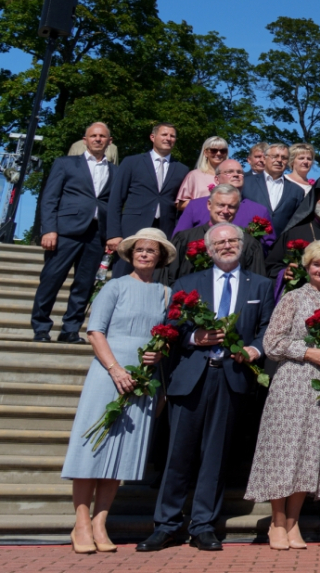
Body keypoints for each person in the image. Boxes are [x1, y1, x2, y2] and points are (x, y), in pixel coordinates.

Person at [138, 223, 274, 552]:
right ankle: (167, 524)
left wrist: (255, 349)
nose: (227, 246)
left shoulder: (261, 285)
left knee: (216, 455)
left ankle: (203, 525)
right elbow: (171, 326)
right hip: (191, 377)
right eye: (220, 243)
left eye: (232, 240)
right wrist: (193, 337)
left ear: (242, 245)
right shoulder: (188, 284)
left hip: (231, 377)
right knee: (178, 455)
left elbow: (267, 328)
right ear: (209, 250)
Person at [61, 228, 172, 554]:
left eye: (151, 251)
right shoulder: (114, 286)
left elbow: (165, 337)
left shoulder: (165, 293)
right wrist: (115, 369)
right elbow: (95, 332)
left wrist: (159, 353)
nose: (144, 254)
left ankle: (100, 522)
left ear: (160, 258)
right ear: (131, 254)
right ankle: (81, 522)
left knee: (121, 452)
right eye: (140, 249)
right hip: (108, 372)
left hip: (142, 379)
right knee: (92, 449)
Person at [243, 240, 320, 550]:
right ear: (306, 266)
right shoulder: (292, 298)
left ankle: (293, 522)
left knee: (309, 452)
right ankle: (276, 522)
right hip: (291, 382)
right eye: (316, 264)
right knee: (283, 452)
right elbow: (272, 343)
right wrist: (309, 352)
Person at [35, 122, 114, 344]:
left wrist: (112, 235)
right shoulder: (65, 164)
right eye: (93, 135)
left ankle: (70, 329)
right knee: (51, 279)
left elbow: (114, 205)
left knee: (84, 284)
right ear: (85, 140)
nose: (98, 139)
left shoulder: (115, 171)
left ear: (109, 141)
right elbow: (50, 198)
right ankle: (41, 327)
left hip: (96, 234)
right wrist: (49, 229)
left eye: (102, 136)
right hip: (65, 232)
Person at [108, 123, 190, 253]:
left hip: (165, 230)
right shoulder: (131, 162)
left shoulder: (182, 169)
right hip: (132, 227)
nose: (168, 138)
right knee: (126, 265)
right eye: (164, 134)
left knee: (159, 265)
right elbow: (115, 199)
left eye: (172, 136)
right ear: (152, 137)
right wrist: (113, 234)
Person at [168, 185, 268, 284]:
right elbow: (170, 278)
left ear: (237, 209)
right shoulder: (185, 239)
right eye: (220, 205)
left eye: (231, 206)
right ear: (209, 205)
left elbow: (257, 284)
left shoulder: (249, 244)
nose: (225, 211)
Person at [175, 159, 276, 248]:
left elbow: (268, 245)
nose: (236, 175)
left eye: (239, 172)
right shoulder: (195, 206)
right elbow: (179, 240)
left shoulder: (259, 210)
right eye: (229, 172)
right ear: (216, 179)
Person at [242, 142, 305, 235]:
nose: (279, 160)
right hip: (249, 239)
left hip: (281, 242)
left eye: (284, 158)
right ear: (265, 158)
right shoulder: (245, 183)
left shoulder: (297, 191)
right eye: (275, 156)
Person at [175, 136, 230, 207]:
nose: (218, 153)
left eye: (223, 151)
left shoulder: (231, 177)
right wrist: (205, 204)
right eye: (214, 150)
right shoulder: (194, 175)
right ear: (205, 153)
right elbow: (180, 204)